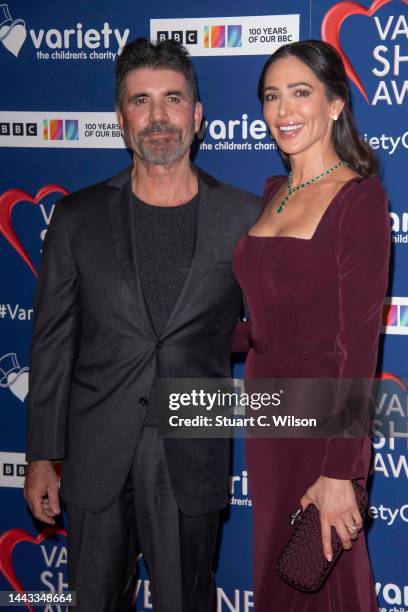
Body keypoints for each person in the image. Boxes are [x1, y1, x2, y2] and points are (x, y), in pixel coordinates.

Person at [24, 37, 260, 612]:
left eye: (173, 99)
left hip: (192, 449)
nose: (158, 117)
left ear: (197, 115)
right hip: (95, 448)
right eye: (141, 101)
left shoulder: (246, 217)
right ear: (120, 118)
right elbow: (53, 342)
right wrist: (40, 455)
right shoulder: (77, 218)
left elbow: (274, 330)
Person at [232, 40, 390, 610]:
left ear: (335, 104)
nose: (284, 110)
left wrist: (342, 470)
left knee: (324, 577)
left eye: (301, 93)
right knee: (278, 567)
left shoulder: (359, 199)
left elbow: (359, 344)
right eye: (272, 97)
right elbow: (269, 317)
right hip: (266, 405)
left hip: (323, 417)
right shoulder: (273, 193)